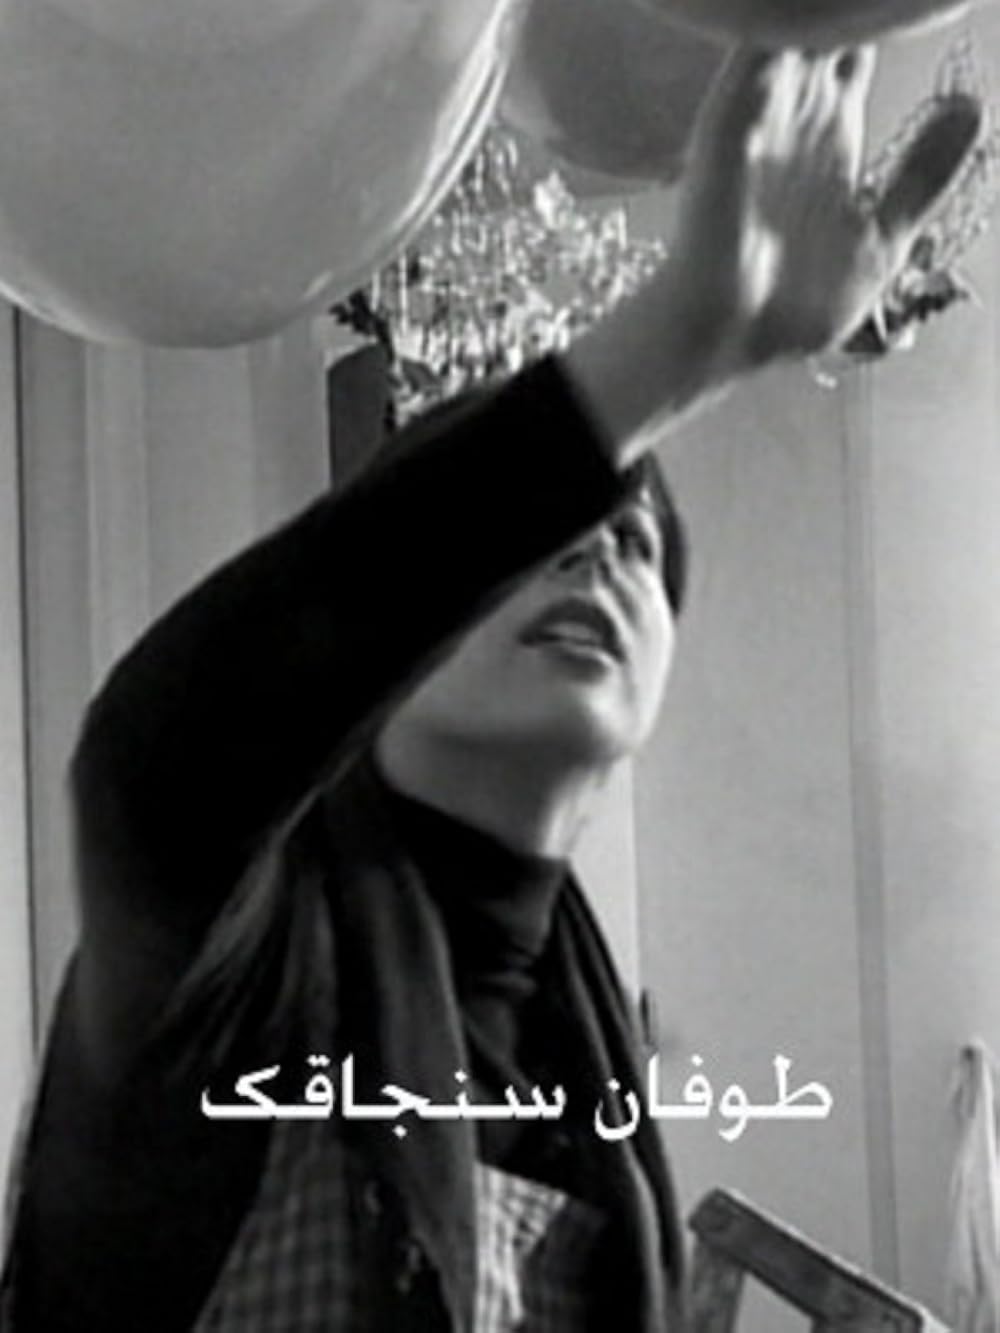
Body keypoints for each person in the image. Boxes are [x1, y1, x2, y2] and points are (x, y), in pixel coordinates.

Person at [0, 40, 979, 1333]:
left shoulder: (592, 1069)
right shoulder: (241, 962)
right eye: (546, 534)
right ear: (390, 641)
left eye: (637, 547)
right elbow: (160, 763)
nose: (596, 556)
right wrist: (681, 336)